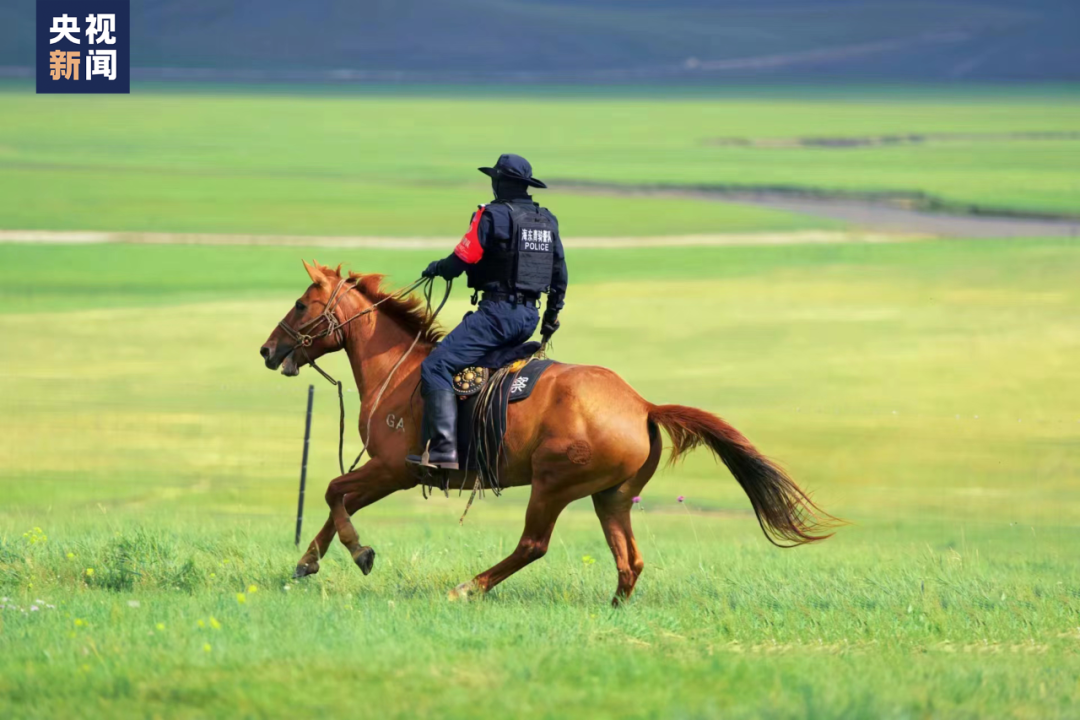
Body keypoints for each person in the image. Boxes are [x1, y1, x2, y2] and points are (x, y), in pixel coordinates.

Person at [406, 154, 567, 470]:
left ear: (499, 182)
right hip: (528, 317)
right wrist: (550, 317)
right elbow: (559, 274)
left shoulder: (490, 215)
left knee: (436, 365)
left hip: (497, 314)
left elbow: (461, 261)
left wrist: (438, 268)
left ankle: (442, 451)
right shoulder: (547, 220)